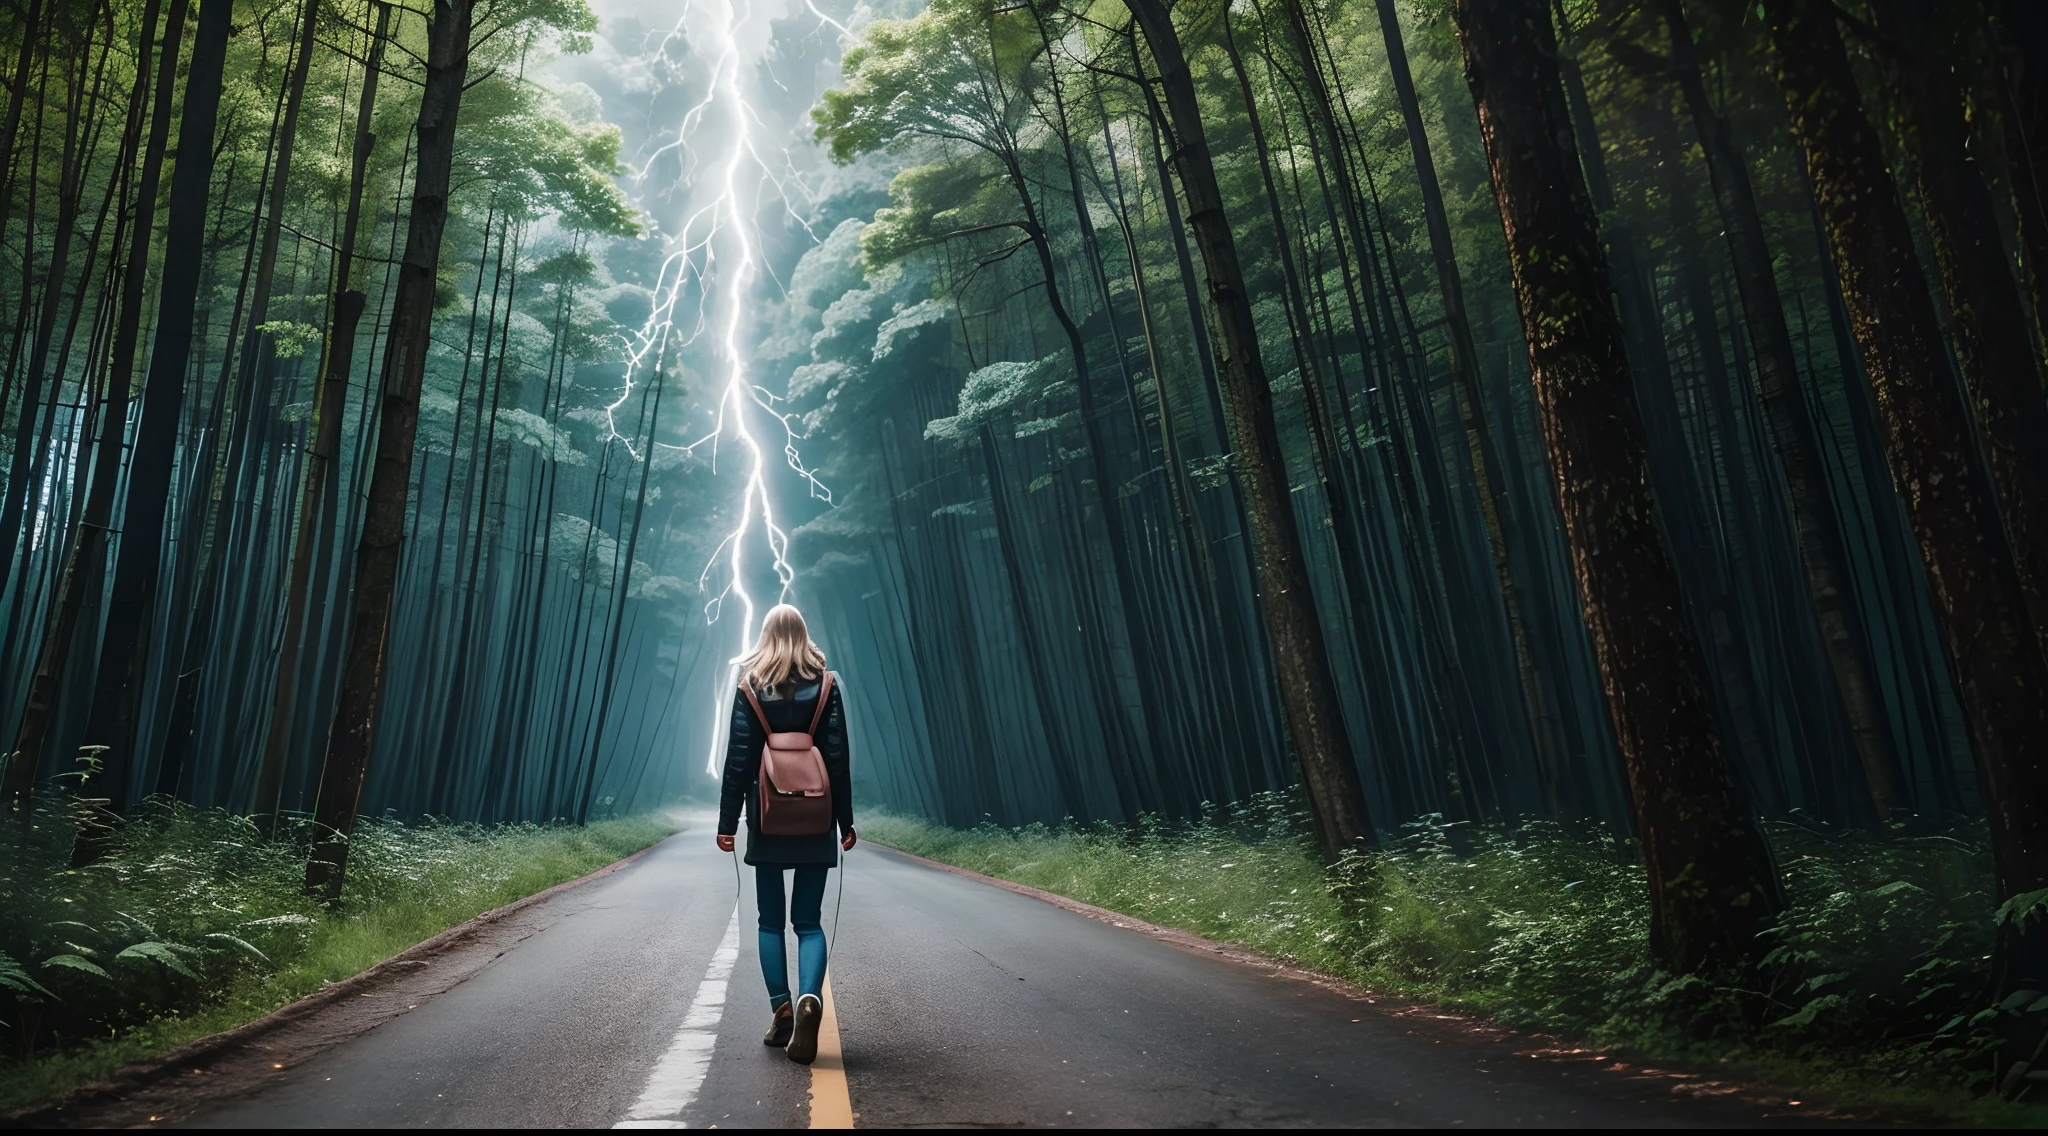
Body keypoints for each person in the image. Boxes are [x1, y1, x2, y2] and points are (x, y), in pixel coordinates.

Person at [716, 604, 855, 1066]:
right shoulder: (827, 686)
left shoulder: (752, 686)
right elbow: (837, 758)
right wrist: (845, 822)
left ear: (766, 635)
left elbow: (739, 759)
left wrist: (726, 823)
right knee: (810, 922)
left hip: (768, 818)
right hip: (816, 817)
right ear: (803, 634)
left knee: (770, 922)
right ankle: (810, 999)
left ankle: (781, 1010)